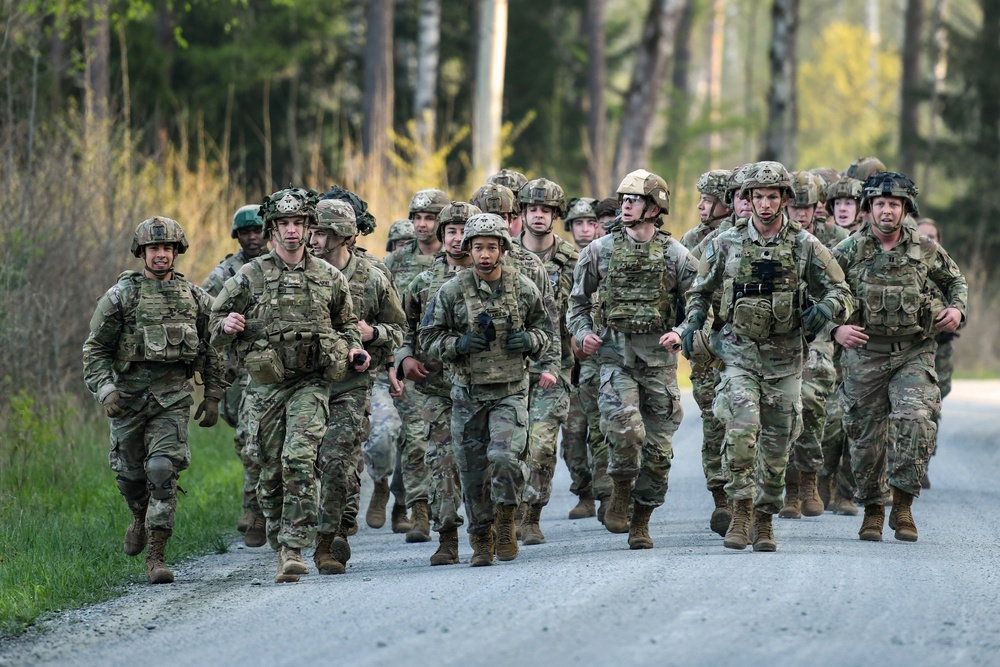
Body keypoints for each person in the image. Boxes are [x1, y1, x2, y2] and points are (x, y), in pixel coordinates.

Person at [677, 161, 853, 553]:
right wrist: (692, 325)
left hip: (786, 360)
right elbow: (699, 292)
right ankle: (740, 512)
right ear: (747, 199)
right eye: (758, 196)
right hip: (738, 355)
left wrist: (825, 309)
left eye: (773, 196)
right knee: (741, 430)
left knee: (776, 446)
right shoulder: (724, 243)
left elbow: (842, 291)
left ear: (785, 200)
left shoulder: (805, 245)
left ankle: (764, 519)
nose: (766, 204)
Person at [209, 187, 366, 583]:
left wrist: (352, 350)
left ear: (309, 227)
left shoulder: (328, 277)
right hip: (265, 388)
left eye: (299, 223)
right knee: (269, 469)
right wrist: (227, 326)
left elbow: (347, 325)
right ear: (272, 229)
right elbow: (212, 325)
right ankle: (282, 532)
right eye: (284, 224)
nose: (292, 231)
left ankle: (293, 547)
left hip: (310, 383)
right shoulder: (249, 276)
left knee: (299, 458)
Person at [83, 216, 225, 584]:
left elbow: (214, 349)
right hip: (127, 400)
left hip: (172, 399)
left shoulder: (195, 298)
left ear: (176, 252)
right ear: (141, 253)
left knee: (162, 471)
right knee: (130, 477)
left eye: (167, 248)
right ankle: (138, 515)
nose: (160, 255)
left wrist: (213, 394)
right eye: (153, 249)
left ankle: (156, 558)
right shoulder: (121, 297)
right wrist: (105, 390)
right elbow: (95, 350)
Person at [832, 172, 967, 542]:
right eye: (880, 204)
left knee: (917, 422)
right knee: (864, 438)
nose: (887, 211)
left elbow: (956, 282)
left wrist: (956, 310)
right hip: (864, 355)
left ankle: (903, 506)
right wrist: (835, 330)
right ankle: (874, 510)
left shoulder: (924, 248)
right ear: (869, 208)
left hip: (913, 352)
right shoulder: (848, 251)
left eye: (894, 205)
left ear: (906, 209)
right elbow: (817, 292)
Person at [569, 169, 697, 550]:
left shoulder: (677, 256)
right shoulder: (598, 251)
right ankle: (620, 488)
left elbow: (699, 306)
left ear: (655, 208)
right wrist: (582, 333)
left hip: (658, 366)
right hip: (615, 360)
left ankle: (641, 520)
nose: (625, 206)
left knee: (658, 456)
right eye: (622, 199)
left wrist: (681, 332)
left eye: (634, 200)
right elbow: (576, 304)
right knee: (625, 432)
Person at [419, 213, 553, 566]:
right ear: (468, 249)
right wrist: (459, 344)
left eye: (492, 247)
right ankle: (481, 538)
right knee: (473, 472)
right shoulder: (450, 291)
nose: (484, 254)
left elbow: (547, 330)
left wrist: (532, 340)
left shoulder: (523, 287)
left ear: (503, 249)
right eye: (477, 247)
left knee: (506, 458)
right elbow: (428, 338)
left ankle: (506, 521)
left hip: (509, 390)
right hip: (466, 394)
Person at [308, 198, 405, 574]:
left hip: (360, 381)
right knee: (304, 461)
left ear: (344, 237)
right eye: (312, 231)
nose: (313, 239)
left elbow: (399, 329)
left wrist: (374, 332)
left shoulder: (373, 276)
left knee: (350, 453)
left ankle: (336, 530)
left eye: (322, 233)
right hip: (308, 381)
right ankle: (327, 522)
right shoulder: (299, 274)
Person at [397, 201, 479, 564]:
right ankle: (447, 538)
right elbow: (402, 327)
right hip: (436, 389)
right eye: (451, 232)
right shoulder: (423, 282)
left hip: (486, 388)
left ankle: (487, 530)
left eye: (464, 231)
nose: (457, 239)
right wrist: (404, 358)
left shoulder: (495, 278)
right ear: (441, 236)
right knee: (442, 462)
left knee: (482, 464)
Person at [777, 171, 849, 520]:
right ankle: (789, 487)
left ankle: (809, 477)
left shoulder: (838, 239)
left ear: (820, 207)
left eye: (808, 207)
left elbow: (848, 293)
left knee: (810, 398)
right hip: (779, 332)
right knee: (781, 408)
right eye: (795, 206)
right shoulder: (774, 236)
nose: (801, 214)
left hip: (822, 331)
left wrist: (834, 324)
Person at [384, 188, 451, 542]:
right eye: (417, 217)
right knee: (414, 438)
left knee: (449, 443)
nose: (423, 225)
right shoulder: (396, 262)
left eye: (430, 218)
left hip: (452, 367)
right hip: (409, 366)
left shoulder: (458, 258)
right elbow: (386, 316)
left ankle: (449, 510)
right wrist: (395, 362)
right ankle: (419, 510)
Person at [201, 205, 268, 547]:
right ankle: (256, 504)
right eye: (246, 232)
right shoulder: (226, 271)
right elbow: (205, 313)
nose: (253, 237)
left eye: (258, 230)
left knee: (259, 436)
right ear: (237, 236)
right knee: (246, 438)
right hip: (237, 368)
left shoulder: (278, 265)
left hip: (273, 365)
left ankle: (259, 509)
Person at [516, 178, 578, 544]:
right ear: (521, 214)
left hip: (556, 364)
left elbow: (589, 299)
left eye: (546, 211)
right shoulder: (502, 254)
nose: (539, 216)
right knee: (510, 446)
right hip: (508, 367)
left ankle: (532, 514)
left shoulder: (572, 258)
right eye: (533, 209)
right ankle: (507, 512)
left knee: (541, 444)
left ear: (556, 215)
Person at [680, 169, 733, 535]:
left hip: (747, 346)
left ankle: (749, 496)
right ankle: (723, 501)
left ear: (726, 203)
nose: (700, 205)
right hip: (707, 351)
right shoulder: (691, 241)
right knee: (715, 425)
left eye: (708, 199)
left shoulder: (748, 237)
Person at [560, 197, 605, 520]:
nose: (586, 229)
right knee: (573, 433)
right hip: (564, 361)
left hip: (598, 357)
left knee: (604, 429)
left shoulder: (605, 255)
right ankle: (584, 491)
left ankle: (608, 493)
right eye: (579, 223)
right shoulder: (562, 261)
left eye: (592, 223)